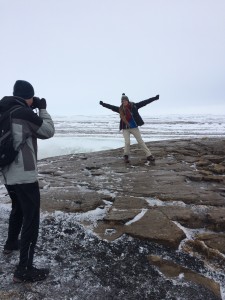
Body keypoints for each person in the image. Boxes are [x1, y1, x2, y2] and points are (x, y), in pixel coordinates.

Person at [0, 80, 55, 282]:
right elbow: (47, 131)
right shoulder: (23, 113)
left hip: (6, 171)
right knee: (31, 219)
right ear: (29, 97)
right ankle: (24, 270)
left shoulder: (3, 110)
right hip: (24, 173)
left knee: (17, 208)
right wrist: (42, 109)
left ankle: (11, 243)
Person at [99, 93, 159, 163]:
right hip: (125, 128)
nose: (124, 102)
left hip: (134, 128)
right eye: (122, 101)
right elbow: (111, 107)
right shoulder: (120, 109)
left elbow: (145, 102)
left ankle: (149, 155)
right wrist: (103, 104)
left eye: (125, 100)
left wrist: (154, 98)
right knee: (127, 142)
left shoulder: (134, 106)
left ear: (127, 100)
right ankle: (126, 156)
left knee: (140, 141)